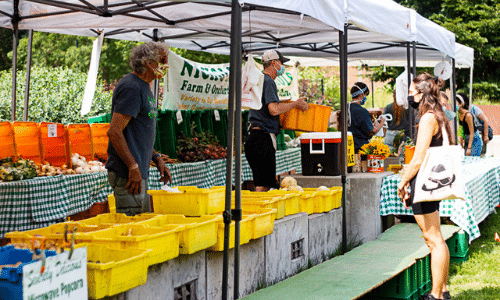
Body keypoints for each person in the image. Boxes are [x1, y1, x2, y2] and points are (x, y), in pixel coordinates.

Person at [397, 73, 453, 300]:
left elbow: (418, 159)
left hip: (426, 184)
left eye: (411, 93)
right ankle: (443, 290)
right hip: (433, 183)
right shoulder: (438, 115)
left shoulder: (428, 118)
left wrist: (403, 181)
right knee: (437, 237)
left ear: (422, 94)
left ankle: (436, 295)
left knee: (433, 240)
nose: (409, 98)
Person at [106, 42, 172, 216]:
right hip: (127, 174)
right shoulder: (132, 87)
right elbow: (114, 131)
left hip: (137, 172)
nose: (165, 66)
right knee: (131, 229)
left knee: (140, 223)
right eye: (163, 61)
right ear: (149, 62)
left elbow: (138, 132)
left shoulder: (145, 87)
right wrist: (133, 166)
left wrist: (156, 157)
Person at [245, 49, 309, 192]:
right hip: (263, 138)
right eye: (281, 63)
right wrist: (295, 104)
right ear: (273, 63)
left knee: (261, 181)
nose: (283, 67)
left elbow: (268, 104)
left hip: (253, 138)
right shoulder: (268, 81)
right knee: (264, 184)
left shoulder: (259, 80)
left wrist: (288, 102)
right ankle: (263, 212)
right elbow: (273, 109)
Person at [348, 82, 385, 153]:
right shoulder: (362, 111)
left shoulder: (345, 108)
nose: (365, 97)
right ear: (361, 95)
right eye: (365, 95)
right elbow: (371, 132)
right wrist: (382, 123)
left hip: (347, 146)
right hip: (360, 148)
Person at [456, 92, 483, 156]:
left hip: (474, 139)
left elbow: (472, 132)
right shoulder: (459, 114)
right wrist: (461, 141)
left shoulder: (468, 115)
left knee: (473, 161)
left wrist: (469, 147)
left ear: (461, 104)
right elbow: (461, 128)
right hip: (467, 138)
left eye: (456, 103)